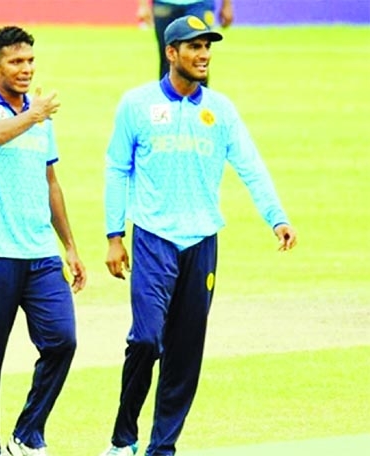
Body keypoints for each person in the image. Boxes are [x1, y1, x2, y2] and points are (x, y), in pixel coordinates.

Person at [98, 16, 298, 456]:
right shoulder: (137, 104)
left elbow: (250, 164)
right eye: (194, 47)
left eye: (208, 47)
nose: (204, 55)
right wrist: (115, 233)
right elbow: (116, 168)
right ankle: (122, 438)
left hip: (202, 242)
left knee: (185, 353)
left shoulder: (220, 110)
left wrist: (276, 216)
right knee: (147, 340)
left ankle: (162, 447)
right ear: (171, 53)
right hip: (153, 238)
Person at [0, 25, 86, 456]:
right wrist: (33, 116)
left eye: (30, 60)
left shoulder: (37, 112)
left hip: (40, 255)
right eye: (16, 62)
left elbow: (51, 180)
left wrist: (69, 246)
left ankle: (28, 434)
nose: (26, 69)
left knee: (62, 340)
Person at [137, 0, 233, 81]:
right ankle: (167, 99)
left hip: (199, 4)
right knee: (168, 55)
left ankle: (199, 100)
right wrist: (143, 4)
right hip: (165, 3)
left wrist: (227, 5)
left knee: (200, 54)